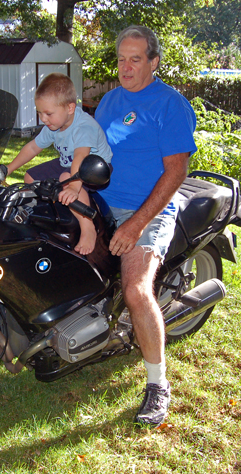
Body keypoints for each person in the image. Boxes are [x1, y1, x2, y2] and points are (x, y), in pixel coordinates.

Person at [94, 25, 197, 427]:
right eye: (121, 58)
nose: (126, 66)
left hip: (149, 210)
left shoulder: (170, 105)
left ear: (153, 62)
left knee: (137, 290)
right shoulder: (107, 102)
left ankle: (158, 384)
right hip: (103, 202)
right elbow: (91, 153)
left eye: (136, 58)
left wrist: (137, 224)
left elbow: (176, 172)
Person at [0, 72, 112, 255]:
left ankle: (87, 226)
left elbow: (81, 158)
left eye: (48, 113)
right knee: (30, 176)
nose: (43, 119)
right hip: (67, 161)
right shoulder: (54, 125)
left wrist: (74, 187)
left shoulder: (84, 127)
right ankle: (44, 212)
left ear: (70, 108)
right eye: (40, 113)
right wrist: (7, 169)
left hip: (94, 168)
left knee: (66, 177)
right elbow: (33, 148)